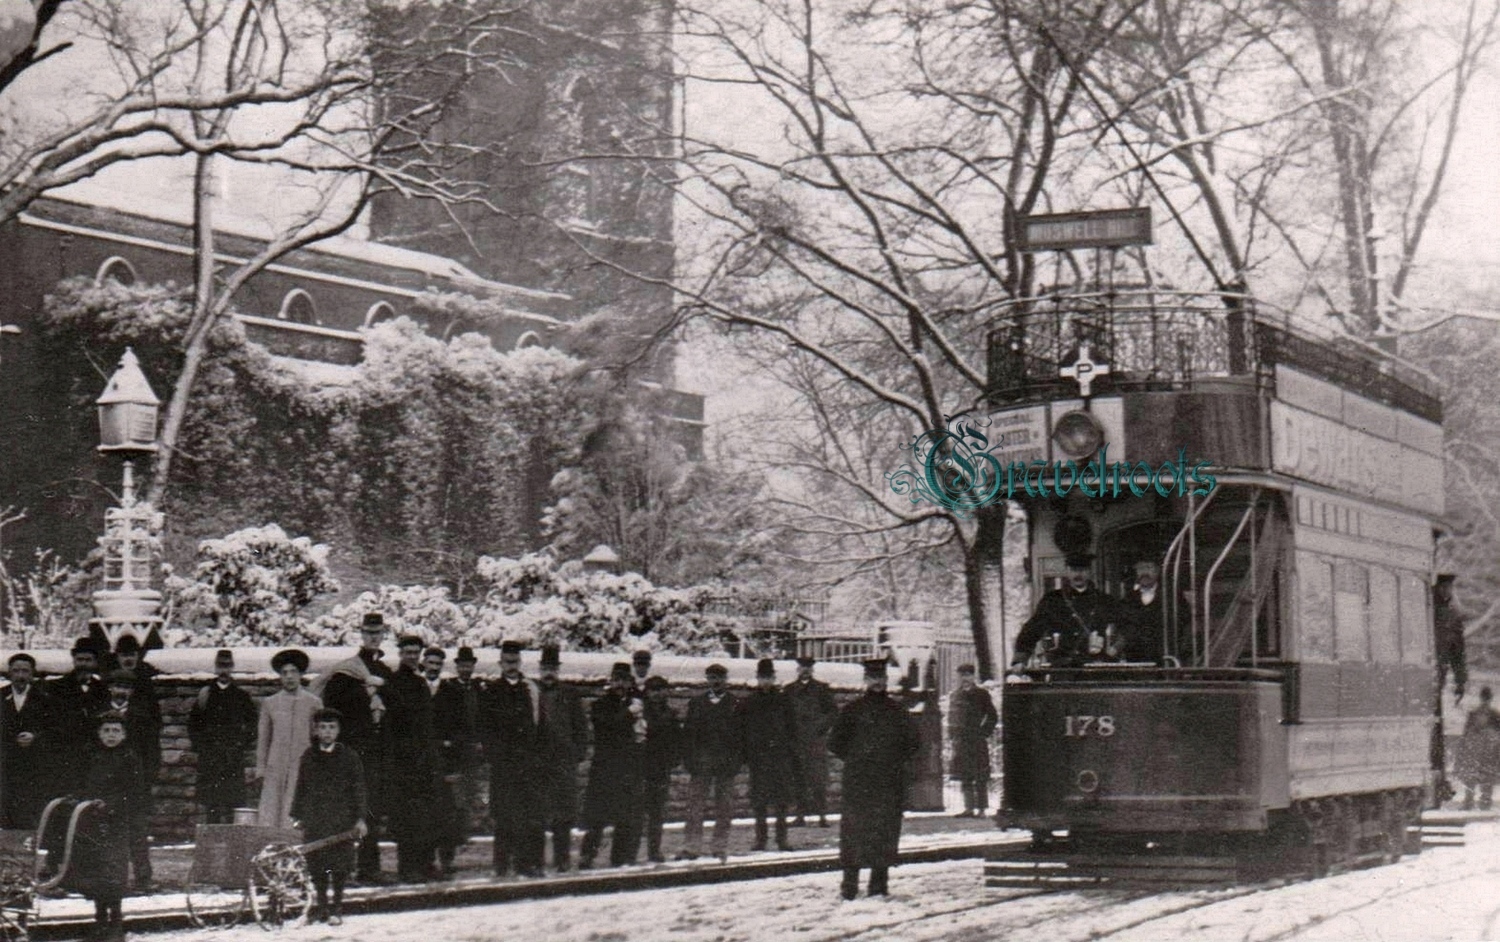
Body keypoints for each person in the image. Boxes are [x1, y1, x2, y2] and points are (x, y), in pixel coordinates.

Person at [829, 658, 919, 900]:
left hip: (888, 782)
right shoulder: (851, 710)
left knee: (884, 832)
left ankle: (878, 886)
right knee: (853, 833)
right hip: (858, 782)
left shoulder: (897, 712)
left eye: (881, 678)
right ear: (865, 681)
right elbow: (835, 743)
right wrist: (858, 759)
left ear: (886, 681)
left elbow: (913, 743)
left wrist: (891, 760)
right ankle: (849, 885)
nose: (877, 682)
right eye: (872, 678)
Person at [316, 612, 394, 883]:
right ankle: (338, 869)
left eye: (378, 632)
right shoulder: (345, 673)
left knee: (371, 810)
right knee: (345, 810)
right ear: (361, 634)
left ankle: (369, 867)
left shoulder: (385, 673)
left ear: (384, 634)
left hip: (377, 753)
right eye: (369, 632)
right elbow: (333, 710)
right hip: (351, 751)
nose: (374, 637)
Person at [66, 712, 145, 942]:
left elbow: (134, 793)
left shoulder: (130, 758)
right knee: (94, 871)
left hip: (116, 822)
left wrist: (110, 805)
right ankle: (99, 920)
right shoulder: (92, 755)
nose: (111, 735)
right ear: (99, 733)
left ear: (124, 734)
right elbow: (82, 783)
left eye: (116, 731)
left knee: (113, 871)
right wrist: (78, 798)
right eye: (106, 731)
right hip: (91, 821)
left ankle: (116, 923)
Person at [291, 708, 368, 925]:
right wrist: (296, 814)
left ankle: (337, 907)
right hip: (315, 818)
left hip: (340, 819)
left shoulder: (349, 756)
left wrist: (360, 817)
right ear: (316, 730)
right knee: (317, 865)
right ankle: (322, 906)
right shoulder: (309, 756)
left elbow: (359, 789)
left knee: (339, 865)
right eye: (323, 727)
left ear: (338, 730)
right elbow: (301, 786)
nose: (327, 732)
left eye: (332, 727)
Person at [482, 640, 546, 877]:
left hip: (526, 763)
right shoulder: (492, 691)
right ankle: (501, 865)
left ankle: (525, 863)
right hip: (504, 764)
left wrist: (534, 755)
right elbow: (486, 729)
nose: (511, 666)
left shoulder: (528, 689)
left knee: (527, 816)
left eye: (515, 661)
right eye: (507, 661)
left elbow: (537, 725)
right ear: (500, 663)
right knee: (504, 816)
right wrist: (495, 756)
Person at [384, 635, 441, 882]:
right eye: (407, 652)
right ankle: (407, 868)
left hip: (423, 760)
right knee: (405, 817)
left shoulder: (420, 684)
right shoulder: (392, 683)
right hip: (402, 761)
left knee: (426, 816)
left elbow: (428, 723)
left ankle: (425, 865)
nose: (411, 656)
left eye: (415, 652)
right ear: (400, 654)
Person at [579, 662, 645, 868]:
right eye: (616, 680)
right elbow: (607, 726)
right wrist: (629, 713)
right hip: (605, 767)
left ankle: (619, 858)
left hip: (627, 768)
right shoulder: (600, 705)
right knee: (597, 816)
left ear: (629, 683)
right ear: (611, 682)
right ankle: (587, 856)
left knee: (624, 816)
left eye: (624, 680)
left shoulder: (637, 705)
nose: (620, 685)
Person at [101, 668, 160, 891]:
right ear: (110, 688)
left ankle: (143, 877)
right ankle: (109, 877)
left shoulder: (142, 717)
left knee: (137, 832)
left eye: (126, 687)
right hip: (107, 784)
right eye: (117, 686)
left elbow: (152, 751)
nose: (121, 691)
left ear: (132, 691)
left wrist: (148, 780)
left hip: (135, 784)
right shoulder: (100, 714)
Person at [679, 662, 741, 862]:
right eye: (712, 678)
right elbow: (688, 735)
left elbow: (742, 737)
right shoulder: (696, 704)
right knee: (695, 805)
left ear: (726, 680)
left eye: (720, 678)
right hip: (702, 761)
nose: (716, 682)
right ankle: (692, 846)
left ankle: (720, 846)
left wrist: (736, 761)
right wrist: (690, 760)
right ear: (707, 680)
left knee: (724, 806)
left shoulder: (735, 704)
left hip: (726, 762)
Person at [1012, 555, 1119, 669]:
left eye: (1083, 570)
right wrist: (1020, 660)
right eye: (1073, 570)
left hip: (1094, 665)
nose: (1078, 575)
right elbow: (1031, 630)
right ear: (1067, 571)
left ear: (1089, 572)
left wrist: (1115, 649)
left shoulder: (1104, 600)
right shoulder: (1053, 600)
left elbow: (1125, 627)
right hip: (1061, 667)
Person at [534, 643, 587, 871]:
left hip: (563, 761)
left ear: (558, 670)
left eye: (553, 668)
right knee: (536, 813)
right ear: (539, 669)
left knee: (563, 814)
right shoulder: (532, 692)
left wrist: (578, 752)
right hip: (538, 760)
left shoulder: (570, 694)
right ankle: (535, 860)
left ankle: (562, 859)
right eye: (545, 668)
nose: (549, 673)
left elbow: (580, 726)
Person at [189, 649, 258, 824]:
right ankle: (212, 844)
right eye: (220, 666)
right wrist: (202, 746)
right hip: (210, 759)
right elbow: (193, 725)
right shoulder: (205, 695)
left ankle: (229, 845)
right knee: (211, 805)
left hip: (232, 759)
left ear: (233, 667)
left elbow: (253, 725)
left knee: (231, 805)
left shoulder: (241, 696)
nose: (224, 671)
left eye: (227, 666)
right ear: (215, 668)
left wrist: (240, 745)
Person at [432, 646, 484, 875]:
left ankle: (454, 851)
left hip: (471, 757)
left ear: (473, 666)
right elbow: (442, 721)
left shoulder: (479, 689)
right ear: (457, 666)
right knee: (448, 808)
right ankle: (444, 858)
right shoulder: (447, 688)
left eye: (469, 665)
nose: (465, 669)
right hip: (452, 756)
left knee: (464, 807)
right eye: (462, 665)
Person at [255, 649, 321, 828]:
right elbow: (263, 739)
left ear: (300, 674)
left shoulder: (313, 703)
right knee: (272, 810)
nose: (289, 677)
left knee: (296, 808)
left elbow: (318, 738)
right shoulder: (270, 703)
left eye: (293, 672)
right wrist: (260, 768)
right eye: (284, 673)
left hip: (302, 764)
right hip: (276, 765)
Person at [741, 658, 800, 852]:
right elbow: (743, 729)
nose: (766, 682)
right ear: (757, 679)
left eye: (769, 678)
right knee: (759, 801)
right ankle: (761, 839)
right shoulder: (749, 702)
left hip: (780, 757)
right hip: (759, 758)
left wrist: (789, 751)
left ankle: (782, 839)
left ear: (774, 678)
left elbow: (793, 729)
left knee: (781, 800)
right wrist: (748, 753)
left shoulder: (784, 700)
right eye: (762, 678)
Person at [46, 637, 109, 796]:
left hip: (94, 754)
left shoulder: (103, 689)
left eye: (88, 660)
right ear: (73, 660)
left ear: (95, 663)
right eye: (80, 659)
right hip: (66, 754)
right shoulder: (57, 687)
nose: (84, 664)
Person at [2, 652, 54, 830]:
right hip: (6, 765)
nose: (20, 676)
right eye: (16, 671)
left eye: (25, 671)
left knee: (29, 812)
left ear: (32, 674)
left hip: (34, 766)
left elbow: (54, 730)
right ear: (9, 673)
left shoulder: (45, 699)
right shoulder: (1, 696)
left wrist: (35, 737)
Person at [786, 655, 837, 828]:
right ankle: (800, 815)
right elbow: (783, 715)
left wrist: (820, 728)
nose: (805, 670)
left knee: (818, 779)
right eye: (802, 667)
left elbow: (832, 712)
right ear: (797, 669)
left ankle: (822, 815)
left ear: (812, 670)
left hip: (815, 742)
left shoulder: (821, 689)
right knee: (798, 778)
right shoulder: (789, 690)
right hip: (796, 741)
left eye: (808, 667)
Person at [635, 675, 681, 863]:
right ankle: (631, 852)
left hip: (661, 768)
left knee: (657, 812)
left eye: (660, 690)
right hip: (641, 767)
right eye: (652, 690)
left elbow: (676, 740)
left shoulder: (670, 714)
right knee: (636, 811)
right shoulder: (639, 713)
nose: (656, 694)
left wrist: (672, 761)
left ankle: (654, 850)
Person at [948, 664, 997, 818]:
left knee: (980, 775)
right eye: (962, 675)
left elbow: (992, 715)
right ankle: (968, 808)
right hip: (961, 740)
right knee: (965, 774)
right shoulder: (956, 695)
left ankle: (982, 809)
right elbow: (952, 717)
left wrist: (984, 732)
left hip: (976, 739)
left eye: (968, 675)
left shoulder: (982, 694)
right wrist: (953, 735)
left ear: (973, 676)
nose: (965, 678)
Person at [1456, 686, 1500, 811]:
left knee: (1472, 777)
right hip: (1487, 752)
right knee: (1486, 777)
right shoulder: (1494, 715)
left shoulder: (1474, 714)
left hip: (1476, 751)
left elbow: (1466, 735)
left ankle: (1470, 802)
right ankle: (1483, 802)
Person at [1116, 560, 1166, 662]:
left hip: (1164, 658)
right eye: (1141, 568)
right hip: (1135, 659)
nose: (1144, 573)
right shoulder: (1127, 600)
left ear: (1158, 570)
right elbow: (1123, 629)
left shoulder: (1170, 597)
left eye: (1149, 568)